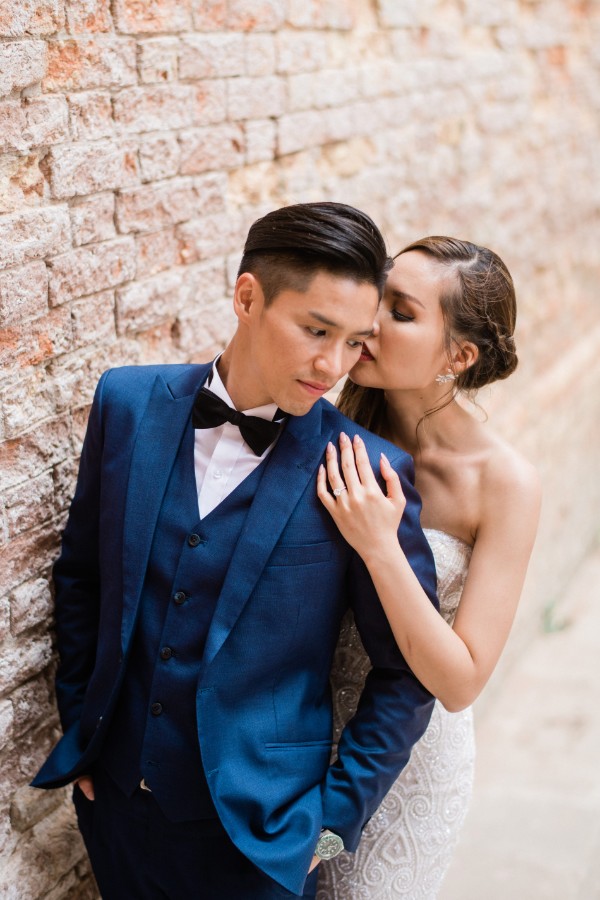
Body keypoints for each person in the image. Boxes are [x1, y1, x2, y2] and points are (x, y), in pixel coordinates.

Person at [31, 203, 439, 899]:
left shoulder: (366, 471)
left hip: (265, 843)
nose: (331, 365)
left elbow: (407, 673)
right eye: (316, 331)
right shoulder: (125, 402)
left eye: (353, 342)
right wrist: (84, 728)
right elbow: (81, 579)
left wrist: (331, 824)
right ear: (248, 297)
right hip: (117, 813)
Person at [316, 236, 541, 899]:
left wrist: (381, 546)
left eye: (402, 311)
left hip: (409, 763)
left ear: (459, 356)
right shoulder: (331, 426)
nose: (371, 318)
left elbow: (461, 680)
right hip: (297, 736)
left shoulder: (504, 483)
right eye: (376, 293)